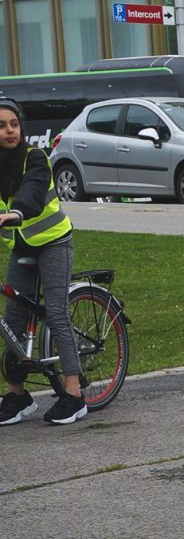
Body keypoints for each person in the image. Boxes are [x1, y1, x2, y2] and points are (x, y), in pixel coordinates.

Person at [0, 97, 88, 426]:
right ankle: (17, 396)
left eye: (14, 124)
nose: (9, 131)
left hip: (53, 242)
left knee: (55, 312)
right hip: (22, 247)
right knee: (13, 318)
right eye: (1, 125)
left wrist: (16, 212)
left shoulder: (34, 157)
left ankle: (74, 394)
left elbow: (33, 192)